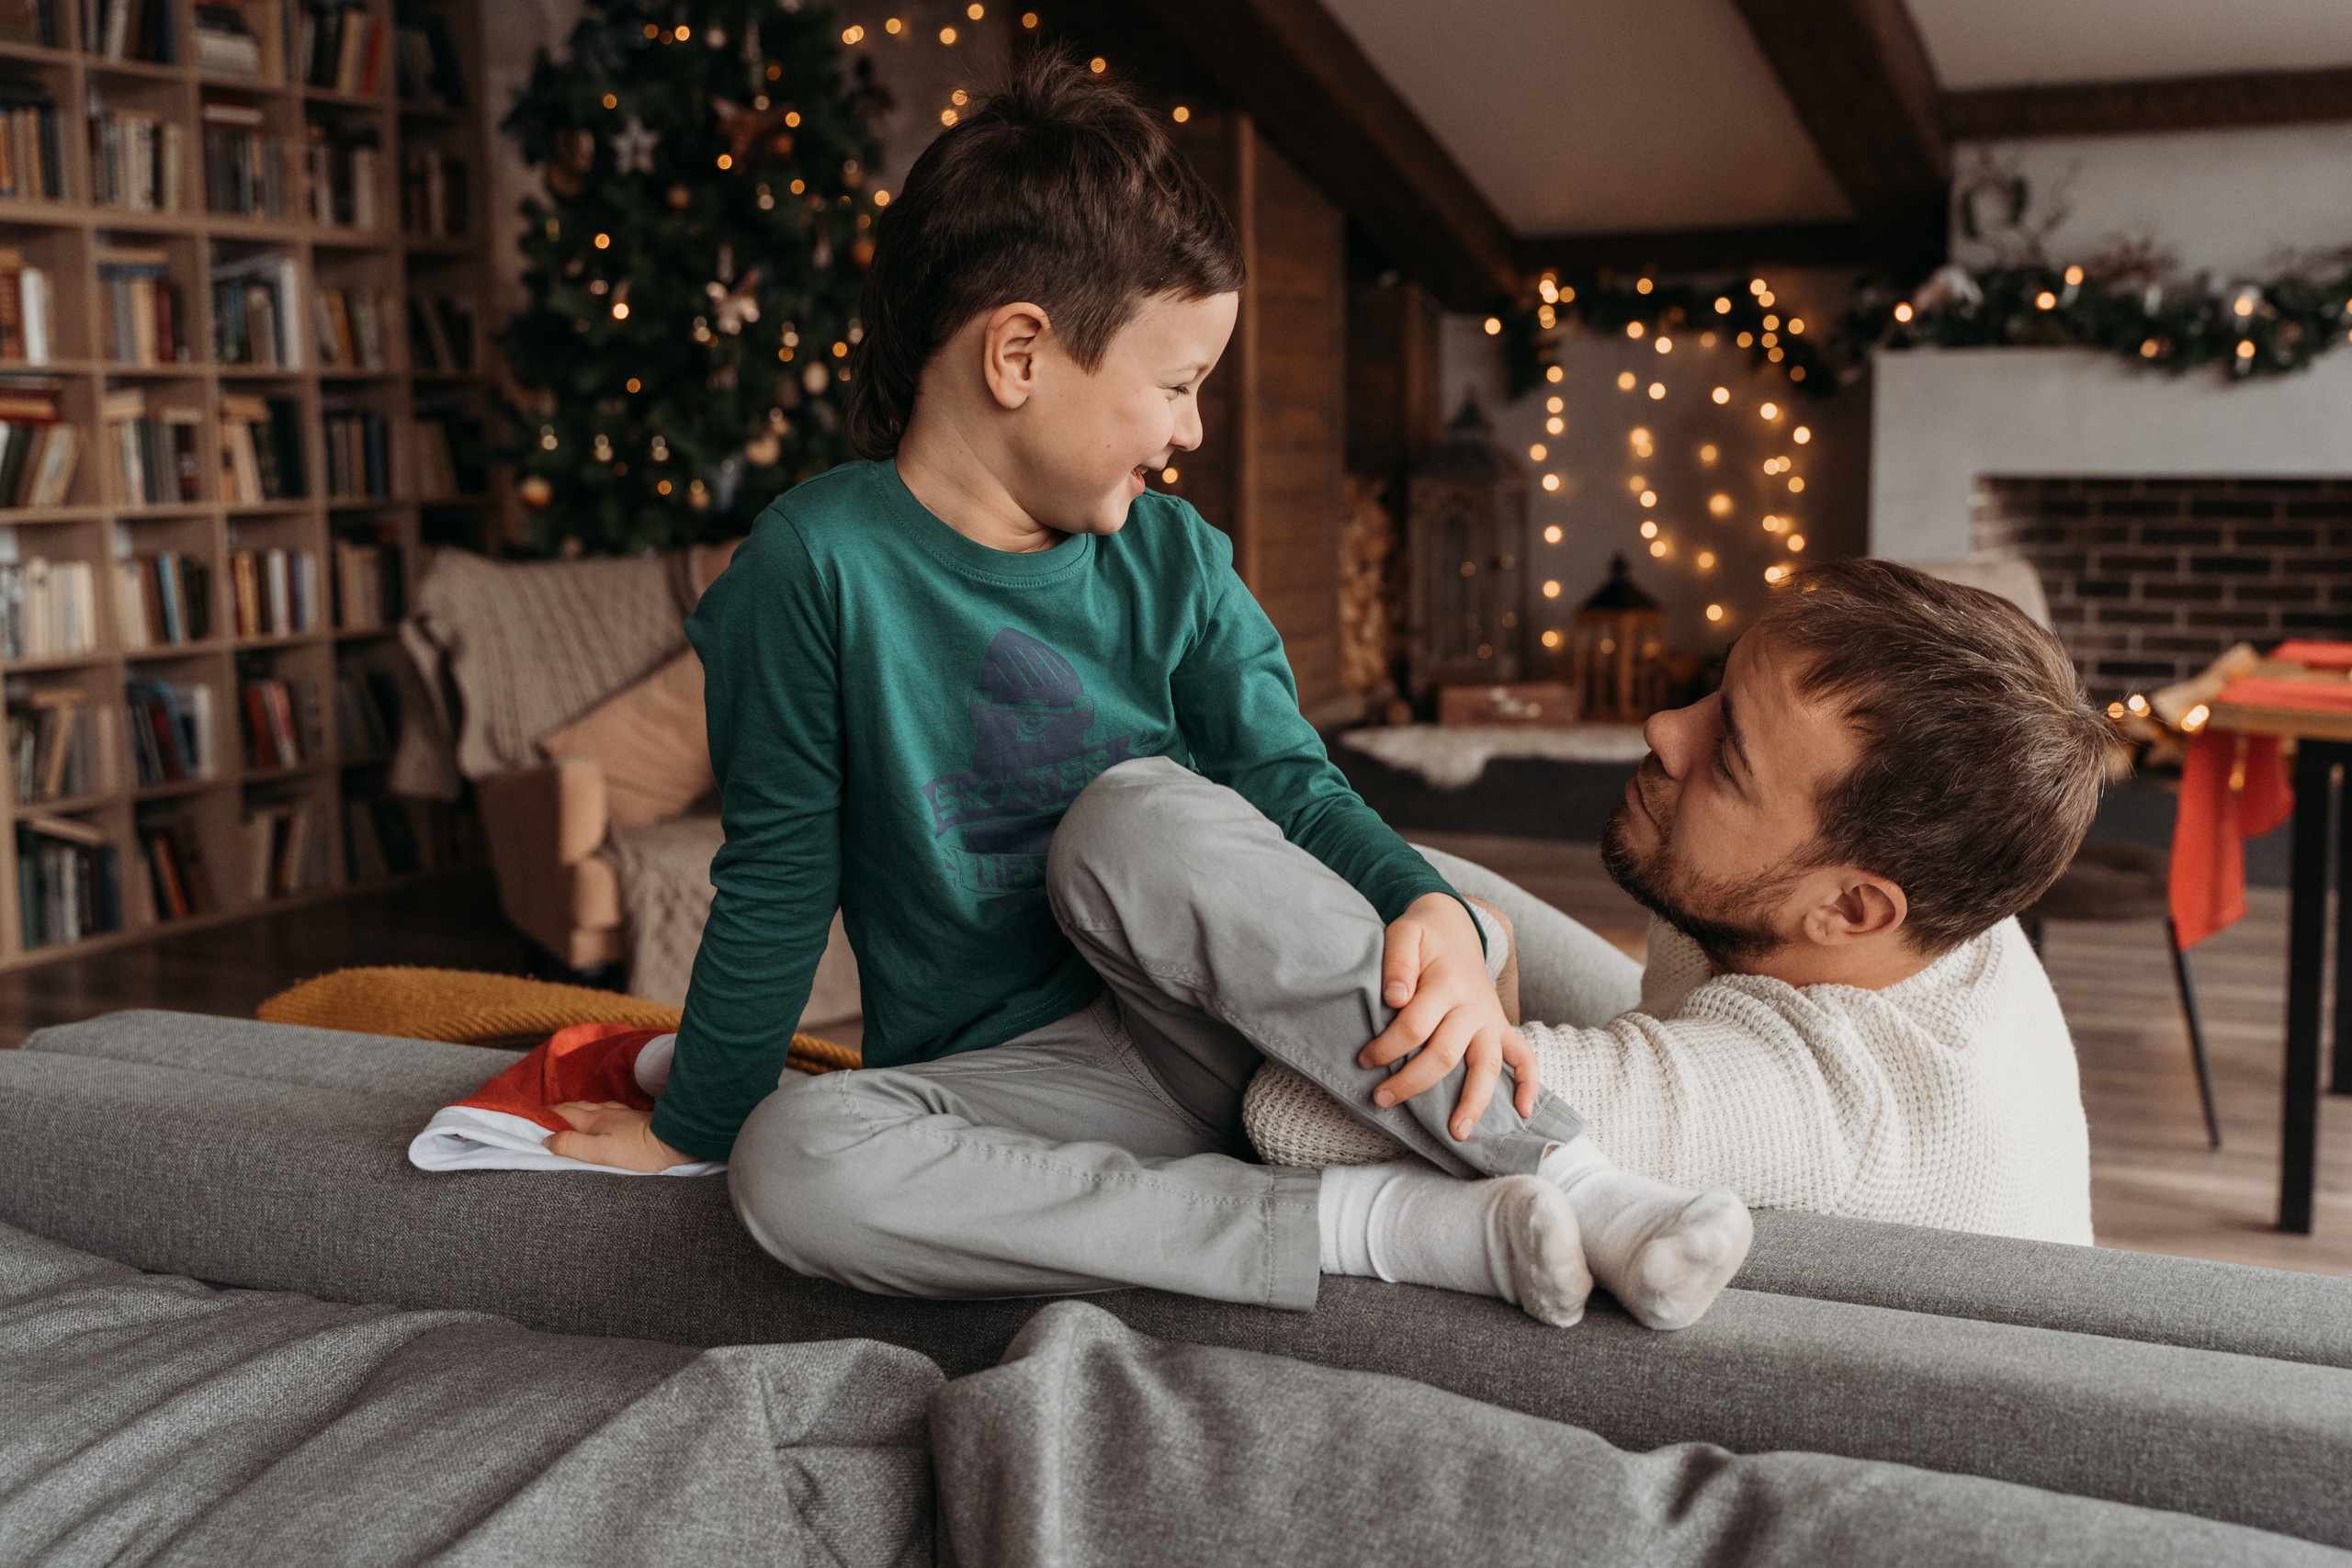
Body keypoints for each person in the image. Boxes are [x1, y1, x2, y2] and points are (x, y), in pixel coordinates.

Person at [548, 51, 1747, 1331]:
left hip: (1226, 1020)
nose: (1190, 431)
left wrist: (1426, 904)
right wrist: (696, 1124)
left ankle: (1579, 1182)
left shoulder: (1175, 561)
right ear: (1019, 353)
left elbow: (1292, 785)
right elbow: (779, 873)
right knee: (792, 1161)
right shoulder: (812, 568)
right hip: (1021, 1089)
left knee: (1130, 816)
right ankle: (1376, 1226)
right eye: (1175, 386)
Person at [1250, 558, 2112, 1249]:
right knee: (1427, 886)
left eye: (1728, 756)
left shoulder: (1799, 1102)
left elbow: (1287, 1113)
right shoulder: (1943, 881)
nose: (1664, 728)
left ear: (1852, 909)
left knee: (1444, 933)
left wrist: (1490, 969)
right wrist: (1465, 931)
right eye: (1716, 692)